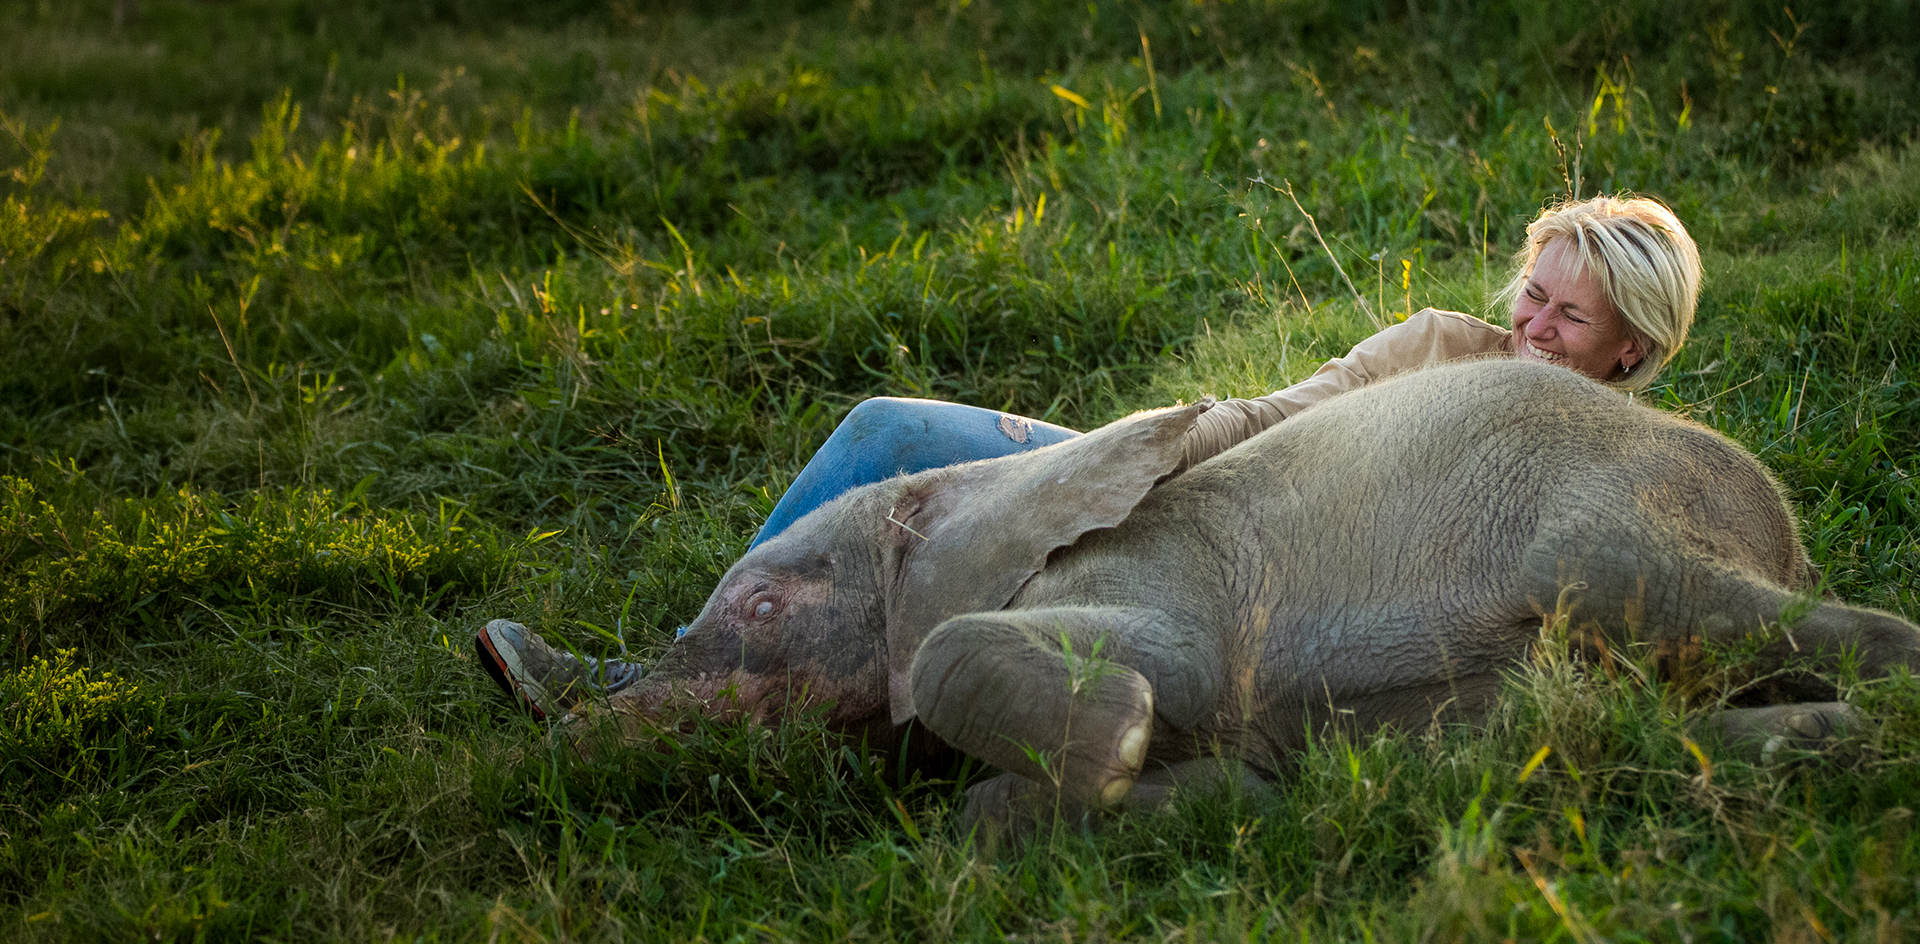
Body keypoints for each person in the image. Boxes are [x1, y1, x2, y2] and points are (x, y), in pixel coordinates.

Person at [475, 193, 1704, 718]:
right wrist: (1130, 457)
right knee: (886, 435)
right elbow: (1286, 412)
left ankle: (767, 710)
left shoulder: (1608, 474)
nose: (1532, 328)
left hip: (1216, 604)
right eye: (1534, 294)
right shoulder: (1441, 346)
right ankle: (654, 677)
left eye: (1569, 318)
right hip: (1180, 487)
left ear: (1630, 356)